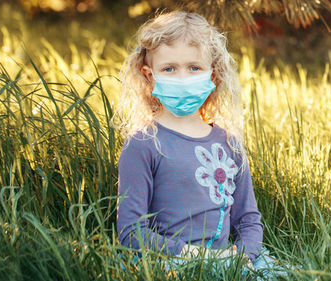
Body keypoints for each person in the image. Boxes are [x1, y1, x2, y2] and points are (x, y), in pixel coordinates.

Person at [113, 11, 285, 278]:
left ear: (213, 74)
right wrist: (199, 257)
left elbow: (248, 220)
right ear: (149, 75)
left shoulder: (229, 144)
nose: (182, 79)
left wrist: (240, 257)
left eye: (194, 68)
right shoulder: (143, 144)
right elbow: (131, 231)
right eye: (169, 69)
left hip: (231, 260)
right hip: (169, 261)